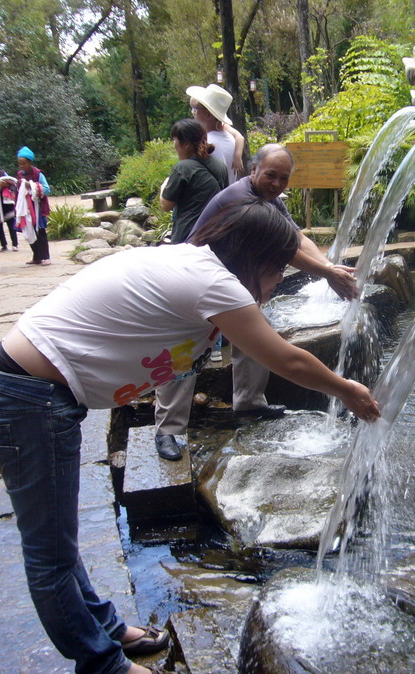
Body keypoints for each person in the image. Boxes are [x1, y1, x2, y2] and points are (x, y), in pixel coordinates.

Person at [0, 199, 379, 674]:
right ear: (250, 257)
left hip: (39, 397)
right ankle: (100, 669)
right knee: (49, 552)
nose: (280, 279)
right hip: (28, 401)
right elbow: (286, 360)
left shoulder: (196, 266)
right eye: (277, 268)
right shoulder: (211, 282)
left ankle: (105, 629)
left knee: (60, 539)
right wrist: (349, 390)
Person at [152, 143, 357, 461]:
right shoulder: (240, 198)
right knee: (185, 351)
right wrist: (326, 273)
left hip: (236, 279)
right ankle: (168, 431)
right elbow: (285, 250)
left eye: (284, 179)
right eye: (271, 175)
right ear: (253, 171)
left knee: (257, 336)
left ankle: (249, 403)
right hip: (199, 282)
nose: (276, 184)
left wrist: (329, 268)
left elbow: (297, 237)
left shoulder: (270, 200)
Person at [160, 118, 228, 244]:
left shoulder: (182, 168)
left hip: (187, 235)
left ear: (186, 144)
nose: (173, 143)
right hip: (213, 234)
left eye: (175, 139)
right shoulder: (220, 165)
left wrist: (164, 186)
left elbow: (165, 205)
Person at [186, 84, 246, 184]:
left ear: (208, 114)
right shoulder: (230, 138)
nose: (193, 112)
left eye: (196, 108)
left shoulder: (208, 143)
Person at [15, 146, 51, 266]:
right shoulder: (20, 174)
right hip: (26, 209)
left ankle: (45, 256)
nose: (21, 166)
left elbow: (46, 189)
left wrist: (33, 187)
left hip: (37, 208)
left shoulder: (37, 174)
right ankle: (37, 257)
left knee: (40, 231)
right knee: (29, 230)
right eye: (19, 164)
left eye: (23, 163)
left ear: (30, 162)